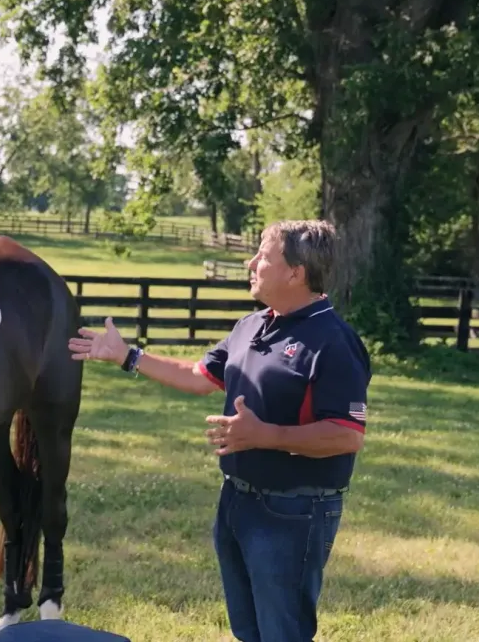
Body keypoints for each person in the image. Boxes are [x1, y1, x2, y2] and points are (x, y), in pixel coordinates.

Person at [68, 219, 371, 642]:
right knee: (248, 630)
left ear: (295, 273)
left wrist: (266, 435)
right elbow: (198, 376)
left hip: (294, 514)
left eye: (264, 255)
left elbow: (346, 435)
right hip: (236, 502)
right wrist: (127, 356)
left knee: (283, 633)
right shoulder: (250, 326)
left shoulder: (334, 341)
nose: (252, 262)